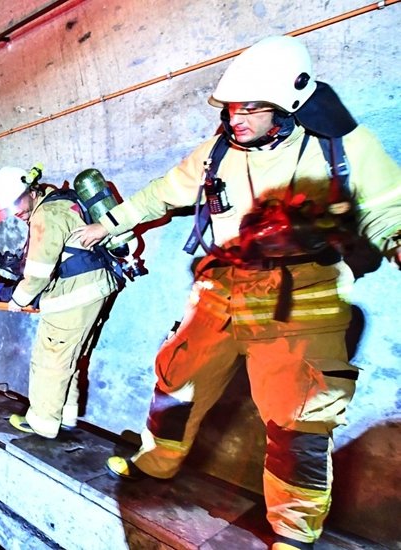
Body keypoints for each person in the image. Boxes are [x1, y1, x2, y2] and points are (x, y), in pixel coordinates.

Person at [75, 35, 400, 550]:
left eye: (250, 108)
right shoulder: (219, 151)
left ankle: (294, 531)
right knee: (177, 379)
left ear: (289, 105)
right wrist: (111, 223)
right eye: (230, 107)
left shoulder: (343, 146)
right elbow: (163, 191)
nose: (236, 117)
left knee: (300, 418)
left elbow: (386, 208)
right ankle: (157, 462)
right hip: (223, 287)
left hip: (304, 295)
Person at [0, 166, 120, 439]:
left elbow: (38, 274)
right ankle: (67, 416)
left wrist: (18, 299)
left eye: (16, 203)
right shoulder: (62, 200)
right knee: (70, 357)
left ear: (31, 191)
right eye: (9, 207)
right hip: (96, 288)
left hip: (75, 294)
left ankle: (43, 422)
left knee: (49, 359)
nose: (15, 212)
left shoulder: (45, 214)